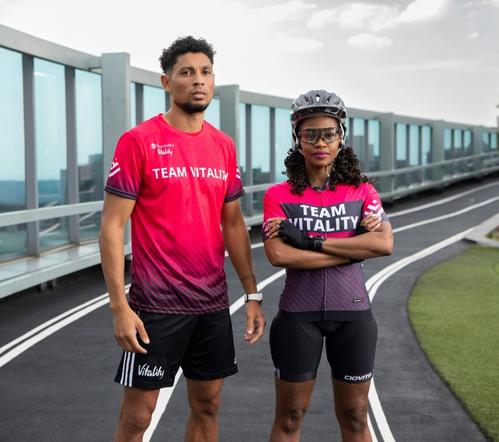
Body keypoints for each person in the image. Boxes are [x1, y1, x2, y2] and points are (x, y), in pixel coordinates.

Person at [99, 36, 265, 442]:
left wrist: (252, 293)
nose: (198, 80)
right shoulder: (138, 141)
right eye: (187, 72)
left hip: (211, 304)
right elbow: (111, 227)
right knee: (137, 417)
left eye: (206, 72)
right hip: (156, 306)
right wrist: (119, 307)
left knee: (208, 405)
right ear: (166, 81)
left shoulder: (223, 146)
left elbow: (233, 225)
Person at [263, 90, 393, 442]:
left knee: (356, 416)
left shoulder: (362, 191)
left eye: (329, 133)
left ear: (341, 138)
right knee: (290, 417)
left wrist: (309, 241)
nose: (320, 142)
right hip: (297, 317)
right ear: (297, 139)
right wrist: (354, 250)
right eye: (310, 134)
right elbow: (279, 256)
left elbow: (383, 244)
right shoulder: (278, 195)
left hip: (354, 318)